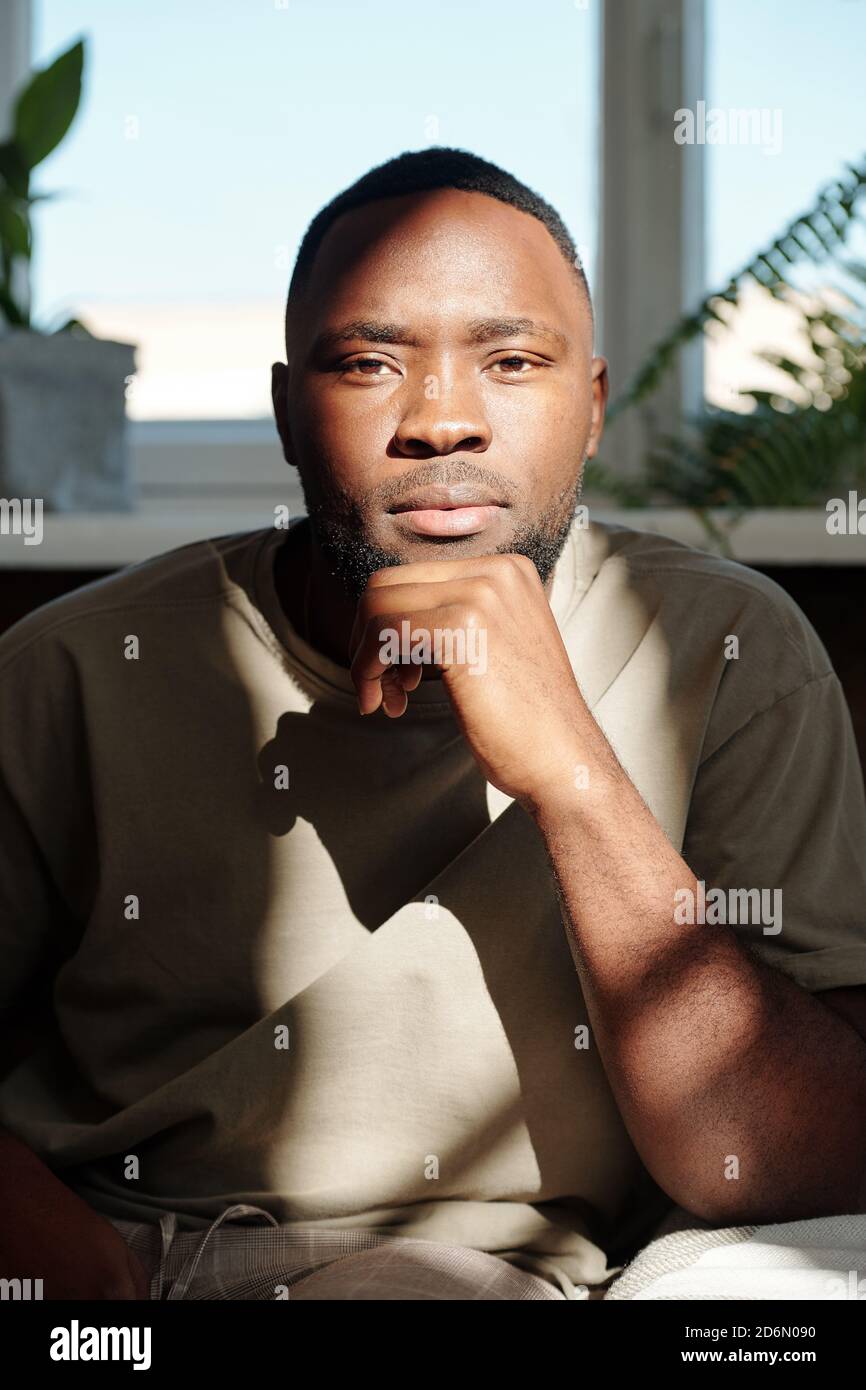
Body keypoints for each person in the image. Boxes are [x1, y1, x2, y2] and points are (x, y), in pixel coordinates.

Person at [2, 147, 866, 1302]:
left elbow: (790, 1161)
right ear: (285, 417)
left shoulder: (724, 649)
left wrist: (571, 772)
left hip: (545, 1284)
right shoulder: (72, 668)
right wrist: (86, 1283)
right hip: (139, 1264)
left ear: (593, 407)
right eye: (367, 364)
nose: (442, 421)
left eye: (511, 360)